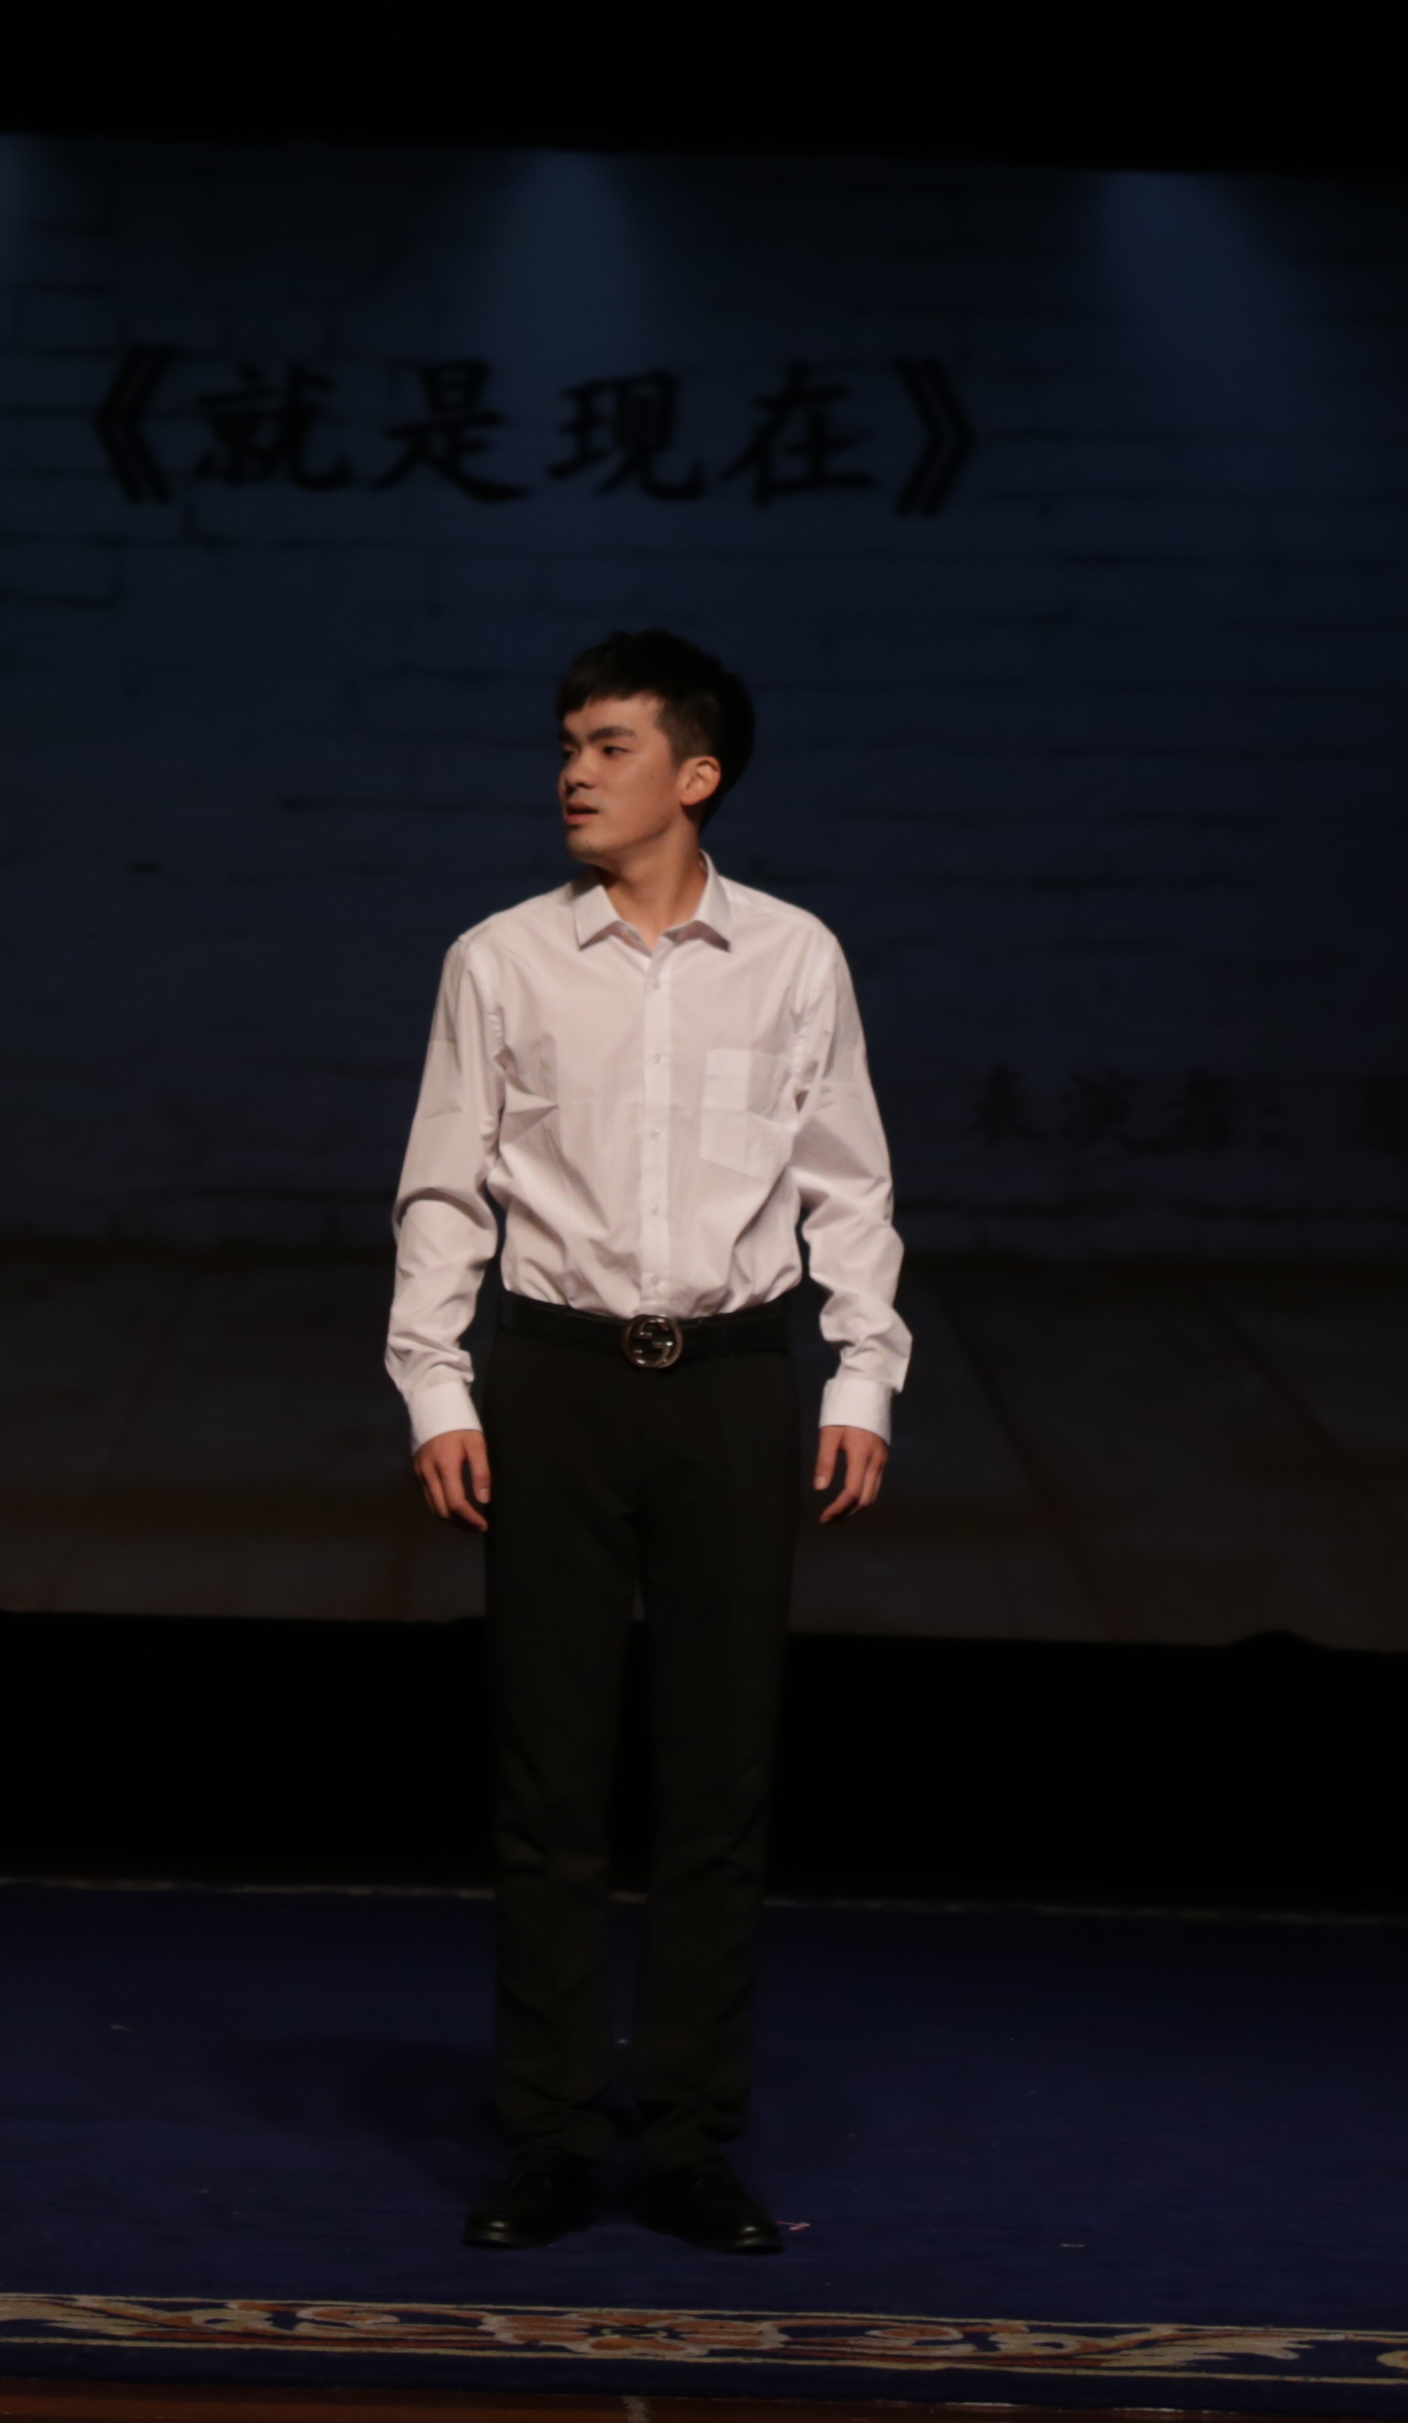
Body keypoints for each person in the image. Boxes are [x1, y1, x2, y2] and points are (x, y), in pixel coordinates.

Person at [386, 631, 912, 2257]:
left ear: (698, 775)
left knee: (717, 1778)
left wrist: (861, 1378)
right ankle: (549, 2133)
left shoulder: (795, 956)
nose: (573, 771)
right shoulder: (500, 959)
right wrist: (438, 1387)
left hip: (734, 1385)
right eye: (566, 743)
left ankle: (687, 2135)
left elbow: (849, 1184)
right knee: (548, 1777)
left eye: (608, 745)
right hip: (555, 1381)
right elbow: (442, 1185)